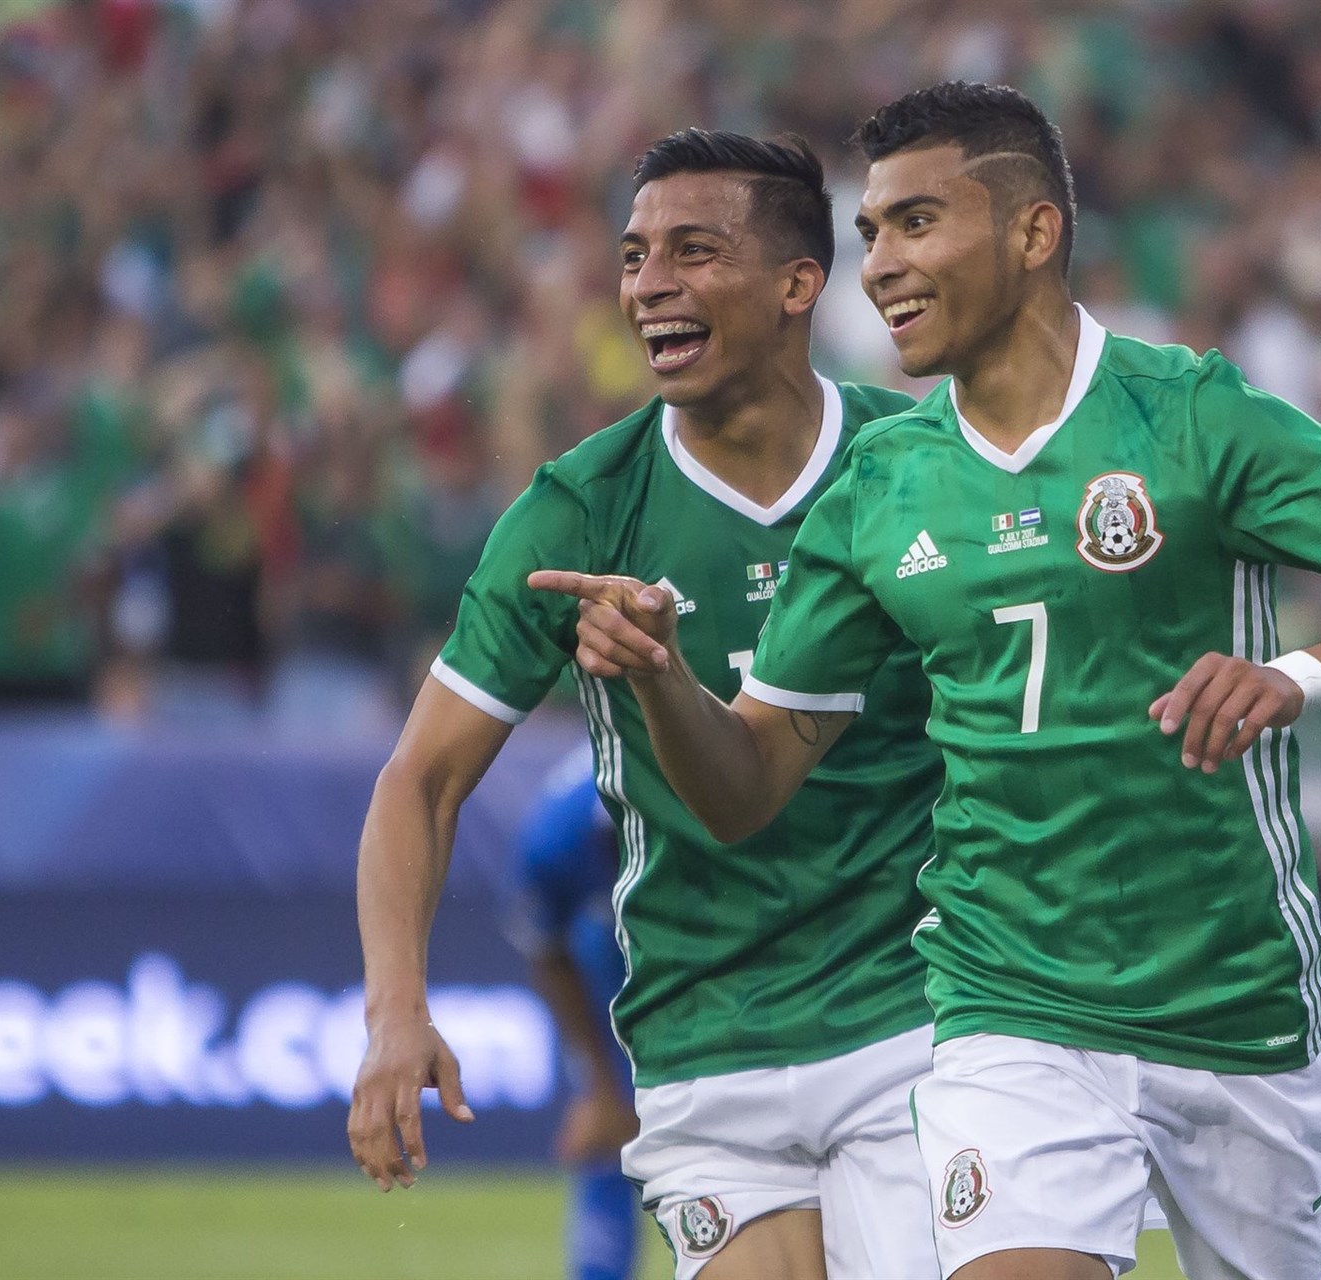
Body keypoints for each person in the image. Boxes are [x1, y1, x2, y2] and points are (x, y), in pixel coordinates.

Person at [533, 82, 1321, 1280]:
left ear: (1034, 231)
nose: (882, 267)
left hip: (1238, 1005)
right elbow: (744, 787)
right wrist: (661, 678)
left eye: (917, 224)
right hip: (1009, 1007)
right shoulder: (880, 487)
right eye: (871, 235)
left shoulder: (1193, 415)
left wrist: (1293, 676)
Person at [348, 130, 946, 1280]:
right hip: (700, 1033)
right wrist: (394, 1011)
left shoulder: (919, 467)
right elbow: (419, 779)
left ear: (797, 285)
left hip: (916, 1017)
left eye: (692, 251)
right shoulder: (579, 510)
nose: (648, 284)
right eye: (633, 257)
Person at [509, 749, 643, 1280]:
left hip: (713, 931)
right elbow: (548, 950)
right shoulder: (554, 840)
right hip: (608, 948)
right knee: (609, 1134)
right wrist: (601, 1088)